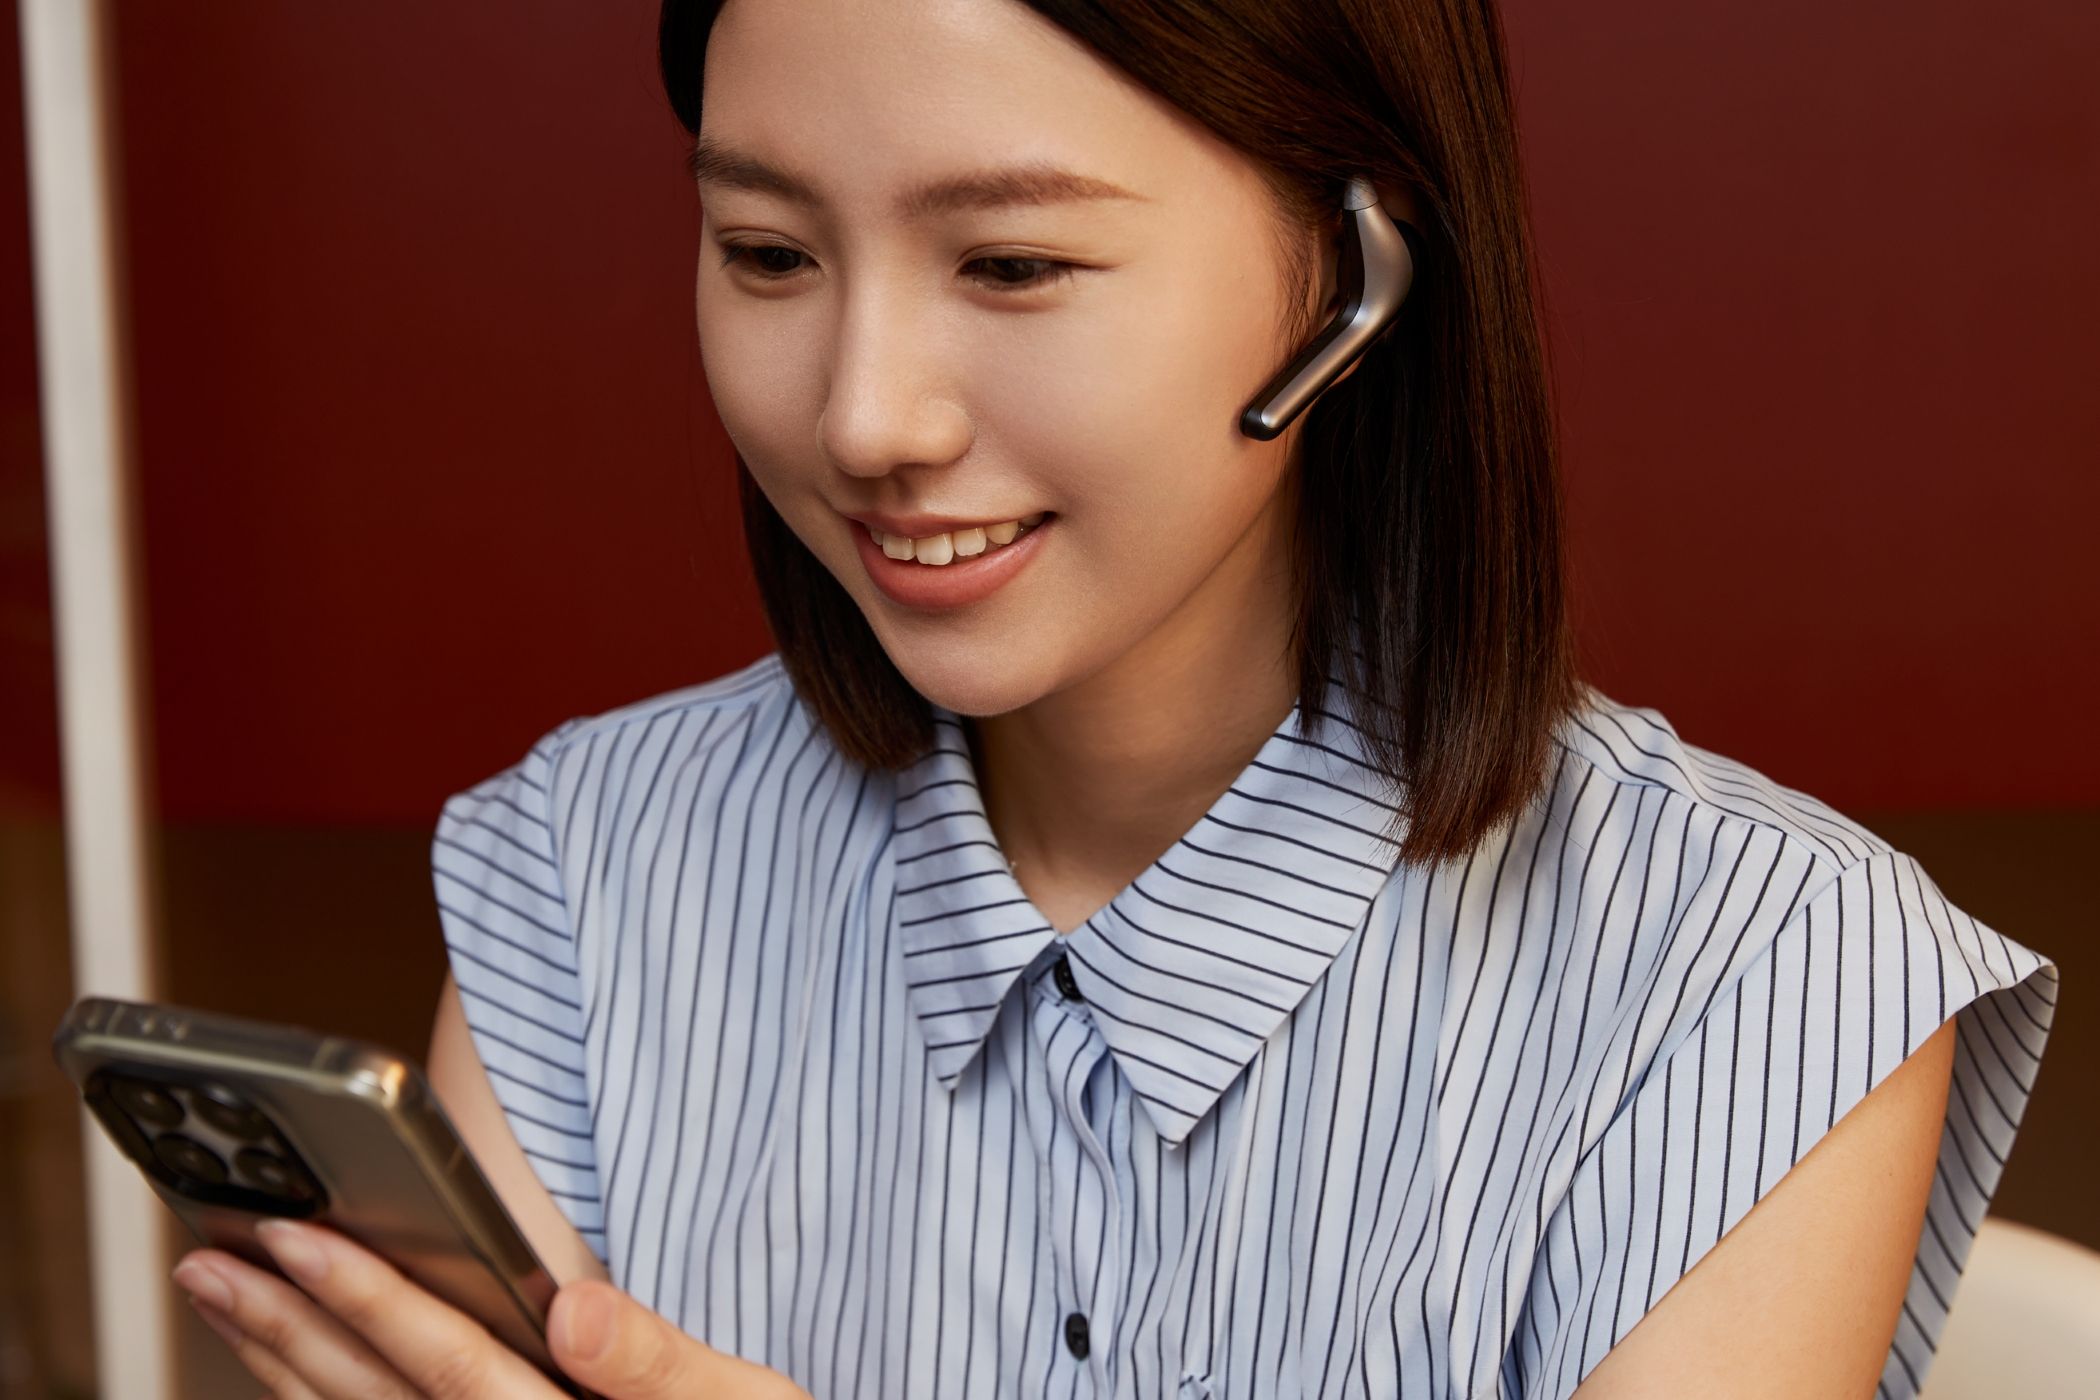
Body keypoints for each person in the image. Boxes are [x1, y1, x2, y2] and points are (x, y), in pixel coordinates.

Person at [171, 0, 2060, 1396]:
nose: (862, 417)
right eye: (766, 252)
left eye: (1013, 263)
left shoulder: (1770, 979)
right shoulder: (582, 871)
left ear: (1360, 268)